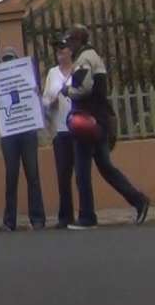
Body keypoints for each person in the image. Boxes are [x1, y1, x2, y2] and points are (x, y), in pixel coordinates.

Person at [63, 25, 150, 229]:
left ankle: (87, 217)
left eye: (70, 42)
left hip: (87, 122)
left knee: (82, 171)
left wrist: (67, 90)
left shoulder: (84, 59)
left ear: (78, 41)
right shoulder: (95, 57)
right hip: (99, 121)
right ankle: (139, 200)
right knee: (107, 169)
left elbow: (82, 88)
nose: (68, 47)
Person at [0, 46, 46, 231]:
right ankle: (9, 220)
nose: (8, 62)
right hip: (10, 134)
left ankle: (38, 218)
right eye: (6, 60)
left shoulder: (27, 79)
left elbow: (36, 101)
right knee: (11, 177)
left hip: (27, 132)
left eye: (11, 59)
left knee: (32, 175)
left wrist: (34, 94)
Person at [42, 37, 76, 228]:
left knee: (81, 173)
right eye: (57, 52)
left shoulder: (78, 70)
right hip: (61, 130)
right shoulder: (52, 74)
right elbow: (45, 100)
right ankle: (65, 216)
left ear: (70, 51)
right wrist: (51, 103)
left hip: (78, 128)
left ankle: (86, 211)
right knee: (63, 175)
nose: (60, 55)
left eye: (63, 51)